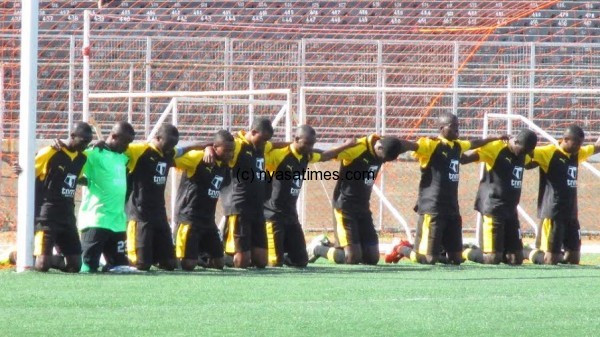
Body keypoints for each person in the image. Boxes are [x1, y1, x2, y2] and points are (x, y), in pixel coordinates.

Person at [388, 113, 502, 265]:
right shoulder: (432, 145)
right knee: (428, 259)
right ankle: (401, 247)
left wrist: (492, 139)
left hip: (452, 208)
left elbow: (474, 143)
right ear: (441, 129)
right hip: (433, 208)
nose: (457, 129)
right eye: (453, 126)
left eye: (458, 126)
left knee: (456, 259)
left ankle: (439, 250)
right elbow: (412, 145)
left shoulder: (457, 146)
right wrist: (393, 143)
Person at [264, 125, 354, 267]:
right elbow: (259, 150)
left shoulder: (306, 156)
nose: (310, 147)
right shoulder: (279, 155)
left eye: (312, 144)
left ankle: (314, 248)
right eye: (307, 143)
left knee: (301, 262)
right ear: (296, 139)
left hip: (291, 216)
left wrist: (345, 145)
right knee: (274, 263)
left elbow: (325, 156)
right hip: (273, 216)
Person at [307, 134, 404, 265]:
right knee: (351, 258)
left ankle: (333, 245)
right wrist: (301, 151)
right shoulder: (357, 148)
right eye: (384, 158)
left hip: (363, 208)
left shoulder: (385, 147)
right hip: (345, 207)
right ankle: (318, 248)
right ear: (379, 148)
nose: (384, 161)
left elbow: (407, 145)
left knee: (372, 259)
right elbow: (326, 155)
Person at [459, 129, 538, 265]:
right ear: (516, 141)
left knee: (516, 259)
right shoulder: (496, 148)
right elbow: (464, 159)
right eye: (524, 150)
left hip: (511, 210)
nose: (525, 154)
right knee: (492, 259)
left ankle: (510, 251)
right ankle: (464, 251)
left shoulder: (524, 152)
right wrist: (488, 140)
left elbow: (532, 162)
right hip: (493, 208)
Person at [528, 125, 600, 265]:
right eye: (576, 143)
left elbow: (596, 147)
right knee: (550, 260)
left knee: (574, 259)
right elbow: (526, 151)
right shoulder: (548, 152)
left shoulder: (577, 153)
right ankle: (527, 252)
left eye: (581, 143)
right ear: (565, 139)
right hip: (553, 214)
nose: (579, 147)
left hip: (571, 214)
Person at [29, 122, 93, 272]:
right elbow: (29, 171)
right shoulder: (50, 152)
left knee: (75, 266)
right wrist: (19, 167)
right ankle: (16, 256)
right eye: (83, 141)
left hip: (67, 216)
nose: (86, 145)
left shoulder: (82, 158)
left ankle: (47, 258)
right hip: (46, 216)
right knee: (42, 266)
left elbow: (73, 177)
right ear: (72, 136)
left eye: (88, 142)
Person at [77, 122, 136, 272]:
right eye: (125, 142)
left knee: (120, 267)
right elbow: (71, 161)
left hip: (117, 221)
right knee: (88, 267)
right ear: (114, 136)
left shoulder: (122, 157)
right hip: (97, 219)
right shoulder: (94, 154)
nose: (127, 146)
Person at [174, 130, 235, 271]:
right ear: (215, 147)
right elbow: (171, 156)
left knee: (219, 263)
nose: (230, 154)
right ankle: (175, 255)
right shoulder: (197, 157)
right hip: (189, 218)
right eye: (226, 151)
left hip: (208, 221)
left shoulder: (225, 163)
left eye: (232, 151)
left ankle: (199, 256)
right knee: (188, 265)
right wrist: (205, 148)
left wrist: (209, 148)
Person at [125, 123, 182, 271]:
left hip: (159, 212)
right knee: (141, 264)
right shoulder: (139, 150)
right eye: (169, 144)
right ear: (157, 138)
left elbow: (185, 150)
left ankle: (154, 254)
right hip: (140, 213)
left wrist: (207, 146)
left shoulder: (169, 153)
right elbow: (115, 147)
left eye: (173, 145)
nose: (171, 147)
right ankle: (118, 257)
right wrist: (101, 143)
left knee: (170, 264)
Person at [219, 117, 274, 269]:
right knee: (242, 262)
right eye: (263, 140)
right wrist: (209, 148)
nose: (265, 144)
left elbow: (274, 145)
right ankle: (215, 256)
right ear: (253, 132)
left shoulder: (262, 146)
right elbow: (218, 145)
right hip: (239, 207)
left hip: (257, 208)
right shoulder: (237, 145)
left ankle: (221, 255)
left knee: (262, 262)